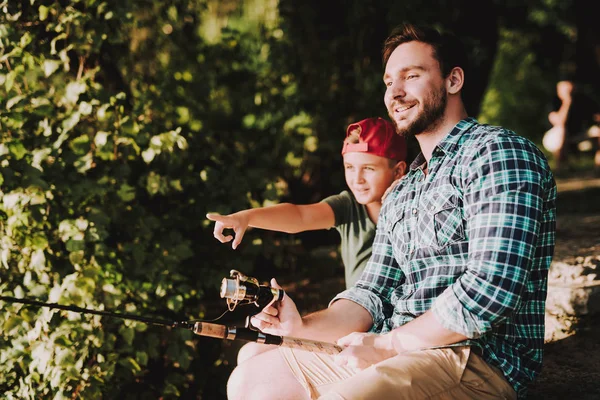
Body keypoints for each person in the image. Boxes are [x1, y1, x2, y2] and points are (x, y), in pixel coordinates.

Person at [226, 23, 557, 400]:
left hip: (474, 359)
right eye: (388, 82)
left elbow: (490, 290)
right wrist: (301, 325)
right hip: (396, 348)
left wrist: (389, 345)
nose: (394, 93)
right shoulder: (402, 191)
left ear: (453, 80)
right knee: (250, 377)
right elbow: (371, 293)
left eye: (411, 76)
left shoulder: (498, 153)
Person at [207, 117, 407, 288]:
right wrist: (247, 217)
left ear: (398, 171)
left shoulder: (415, 209)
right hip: (356, 319)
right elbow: (299, 216)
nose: (357, 179)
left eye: (369, 169)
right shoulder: (348, 206)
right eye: (350, 167)